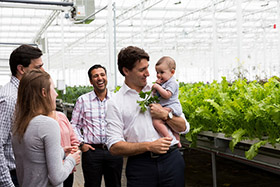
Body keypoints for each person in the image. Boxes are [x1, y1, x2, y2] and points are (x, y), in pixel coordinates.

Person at [106, 46, 190, 187]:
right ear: (126, 71)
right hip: (141, 166)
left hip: (172, 160)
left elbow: (184, 127)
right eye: (141, 70)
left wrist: (166, 115)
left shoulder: (158, 91)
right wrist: (149, 146)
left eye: (147, 67)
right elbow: (114, 146)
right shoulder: (115, 102)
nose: (148, 74)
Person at [12, 69, 81, 187]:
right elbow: (57, 177)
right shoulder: (48, 124)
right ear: (44, 93)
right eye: (53, 89)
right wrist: (72, 159)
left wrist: (60, 152)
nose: (56, 94)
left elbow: (35, 160)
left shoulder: (19, 124)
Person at [71, 64, 123, 187]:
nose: (100, 78)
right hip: (92, 152)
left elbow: (124, 123)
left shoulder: (116, 99)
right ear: (91, 81)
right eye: (95, 76)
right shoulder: (83, 100)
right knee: (91, 184)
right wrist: (82, 144)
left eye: (102, 75)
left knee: (115, 184)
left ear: (106, 77)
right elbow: (74, 125)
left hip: (114, 150)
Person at [0, 44, 44, 187]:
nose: (43, 71)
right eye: (38, 67)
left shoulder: (24, 94)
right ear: (21, 69)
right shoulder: (10, 99)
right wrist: (7, 183)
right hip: (11, 176)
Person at [152, 56, 182, 147]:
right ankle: (178, 141)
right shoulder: (164, 82)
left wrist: (158, 87)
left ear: (172, 72)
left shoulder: (172, 82)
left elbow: (167, 95)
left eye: (162, 72)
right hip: (167, 106)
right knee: (171, 126)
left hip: (172, 106)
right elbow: (155, 95)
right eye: (157, 72)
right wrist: (155, 88)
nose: (159, 75)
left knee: (156, 121)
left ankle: (169, 138)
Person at [53, 111, 79, 187]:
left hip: (68, 167)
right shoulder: (40, 120)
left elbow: (73, 137)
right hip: (54, 169)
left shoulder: (61, 116)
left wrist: (75, 147)